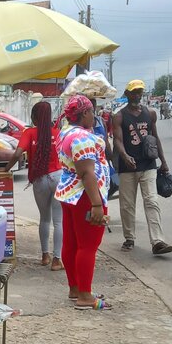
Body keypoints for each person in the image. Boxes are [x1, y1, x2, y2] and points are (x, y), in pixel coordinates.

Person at [55, 95, 111, 310]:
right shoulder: (82, 138)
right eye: (91, 111)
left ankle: (75, 288)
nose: (93, 115)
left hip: (69, 194)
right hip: (85, 196)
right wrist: (97, 205)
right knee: (88, 246)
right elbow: (87, 173)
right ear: (85, 113)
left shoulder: (66, 132)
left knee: (71, 243)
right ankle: (85, 296)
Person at [112, 79, 172, 256]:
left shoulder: (150, 114)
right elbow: (117, 140)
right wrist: (125, 156)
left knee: (152, 201)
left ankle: (158, 241)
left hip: (148, 165)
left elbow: (155, 139)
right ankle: (129, 238)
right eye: (134, 92)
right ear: (127, 94)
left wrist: (164, 162)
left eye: (140, 92)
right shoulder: (119, 116)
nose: (137, 95)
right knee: (127, 205)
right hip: (127, 168)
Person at [5, 100, 63, 270]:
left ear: (34, 118)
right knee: (59, 221)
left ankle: (45, 256)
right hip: (58, 177)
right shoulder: (58, 133)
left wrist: (6, 168)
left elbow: (17, 153)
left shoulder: (29, 133)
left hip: (39, 179)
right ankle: (56, 260)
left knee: (45, 219)